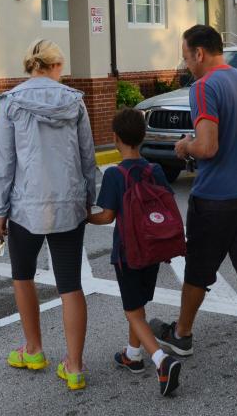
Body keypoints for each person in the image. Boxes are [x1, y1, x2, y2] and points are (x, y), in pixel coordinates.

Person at [149, 25, 237, 379]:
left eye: (186, 55)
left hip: (216, 197)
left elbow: (207, 147)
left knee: (199, 269)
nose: (186, 62)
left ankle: (182, 335)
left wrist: (183, 146)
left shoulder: (204, 87)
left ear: (200, 54)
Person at [0, 40, 98, 390]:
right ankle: (75, 366)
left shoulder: (10, 102)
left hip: (25, 206)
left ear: (31, 66)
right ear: (55, 66)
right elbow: (87, 157)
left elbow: (4, 163)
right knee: (71, 285)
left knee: (23, 276)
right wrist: (88, 198)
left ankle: (34, 349)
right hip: (69, 203)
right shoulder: (75, 101)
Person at [87, 108, 184, 396]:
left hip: (128, 252)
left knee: (132, 311)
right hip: (154, 248)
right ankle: (133, 354)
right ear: (142, 137)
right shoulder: (153, 169)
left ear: (115, 138)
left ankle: (161, 360)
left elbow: (106, 216)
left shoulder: (116, 174)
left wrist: (85, 217)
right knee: (138, 305)